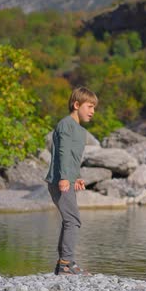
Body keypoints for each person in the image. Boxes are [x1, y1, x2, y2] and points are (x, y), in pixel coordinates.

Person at [45, 87, 97, 275]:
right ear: (76, 105)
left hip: (67, 179)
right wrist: (65, 178)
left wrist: (76, 177)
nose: (92, 111)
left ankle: (64, 264)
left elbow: (73, 158)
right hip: (59, 180)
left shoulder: (80, 130)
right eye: (89, 106)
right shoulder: (66, 124)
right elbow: (63, 152)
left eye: (94, 108)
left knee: (70, 219)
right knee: (73, 220)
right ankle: (66, 264)